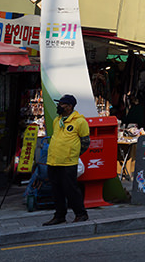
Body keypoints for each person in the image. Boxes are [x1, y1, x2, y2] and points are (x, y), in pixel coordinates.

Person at [44, 94, 90, 226]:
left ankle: (81, 214)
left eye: (62, 104)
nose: (59, 106)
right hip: (53, 160)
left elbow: (85, 142)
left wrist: (73, 154)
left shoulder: (80, 122)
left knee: (71, 189)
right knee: (56, 190)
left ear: (69, 107)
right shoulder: (57, 121)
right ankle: (59, 215)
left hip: (68, 162)